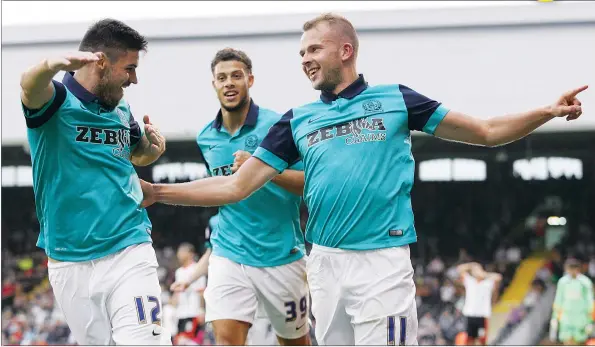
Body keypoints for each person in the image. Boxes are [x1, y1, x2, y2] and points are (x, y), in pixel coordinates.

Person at [140, 13, 587, 345]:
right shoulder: (297, 120)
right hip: (325, 263)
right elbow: (236, 186)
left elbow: (486, 132)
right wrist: (157, 191)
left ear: (345, 50)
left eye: (313, 50)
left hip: (381, 262)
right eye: (301, 55)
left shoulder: (396, 100)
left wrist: (545, 111)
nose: (305, 61)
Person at [19, 18, 170, 345]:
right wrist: (52, 64)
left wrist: (149, 150)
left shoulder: (120, 108)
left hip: (129, 248)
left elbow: (132, 154)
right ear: (101, 62)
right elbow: (28, 86)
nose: (134, 79)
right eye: (129, 69)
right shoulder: (55, 101)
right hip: (68, 260)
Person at [169, 48, 311, 346]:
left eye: (236, 76)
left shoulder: (279, 125)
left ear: (250, 80)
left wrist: (261, 168)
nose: (229, 83)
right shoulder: (206, 137)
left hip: (280, 254)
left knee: (295, 342)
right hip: (229, 253)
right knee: (227, 340)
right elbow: (223, 190)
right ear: (214, 84)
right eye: (222, 78)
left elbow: (305, 185)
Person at [550, 258, 594, 346]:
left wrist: (590, 321)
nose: (572, 271)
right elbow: (558, 300)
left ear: (578, 269)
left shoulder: (585, 282)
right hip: (566, 318)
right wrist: (554, 317)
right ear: (566, 269)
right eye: (569, 269)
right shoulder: (562, 282)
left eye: (574, 269)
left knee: (579, 342)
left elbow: (590, 302)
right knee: (567, 342)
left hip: (581, 318)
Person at [457, 262, 502, 345]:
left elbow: (498, 277)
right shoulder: (470, 281)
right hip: (470, 314)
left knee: (481, 340)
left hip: (482, 315)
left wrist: (483, 274)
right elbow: (459, 269)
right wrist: (472, 265)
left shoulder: (488, 283)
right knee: (469, 340)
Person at [173, 243, 206, 344]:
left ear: (190, 253)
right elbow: (177, 294)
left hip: (193, 312)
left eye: (182, 251)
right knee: (179, 342)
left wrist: (201, 310)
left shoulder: (197, 269)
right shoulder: (178, 272)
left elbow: (201, 291)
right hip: (180, 313)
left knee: (191, 342)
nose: (179, 254)